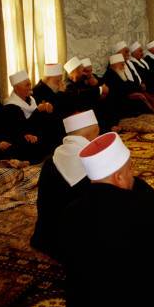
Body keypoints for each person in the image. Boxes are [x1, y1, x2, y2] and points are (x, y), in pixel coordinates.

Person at [54, 132, 154, 307]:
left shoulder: (70, 211)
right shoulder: (147, 209)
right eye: (130, 168)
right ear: (118, 177)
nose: (133, 173)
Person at [31, 110, 99, 258]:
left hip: (45, 235)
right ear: (89, 135)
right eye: (97, 135)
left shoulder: (52, 158)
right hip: (73, 241)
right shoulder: (91, 160)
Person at [2, 70, 60, 163]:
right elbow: (22, 128)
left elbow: (36, 119)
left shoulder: (31, 99)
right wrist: (38, 111)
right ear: (17, 88)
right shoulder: (11, 107)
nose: (30, 87)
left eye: (30, 84)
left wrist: (45, 108)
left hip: (35, 132)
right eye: (27, 85)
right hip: (22, 139)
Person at [104, 53, 154, 121]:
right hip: (118, 104)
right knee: (139, 100)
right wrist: (135, 89)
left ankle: (152, 113)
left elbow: (128, 83)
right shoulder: (109, 75)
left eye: (123, 64)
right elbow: (121, 89)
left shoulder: (119, 72)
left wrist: (138, 86)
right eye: (122, 64)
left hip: (125, 98)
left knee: (142, 97)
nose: (124, 66)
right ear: (114, 65)